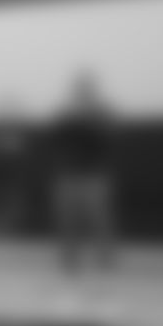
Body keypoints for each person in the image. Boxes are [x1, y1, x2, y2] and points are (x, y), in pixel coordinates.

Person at [51, 72, 118, 275]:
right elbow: (57, 139)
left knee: (99, 220)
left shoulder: (102, 113)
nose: (82, 92)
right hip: (68, 174)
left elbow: (107, 140)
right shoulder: (66, 113)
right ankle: (69, 261)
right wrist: (73, 118)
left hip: (94, 175)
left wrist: (88, 120)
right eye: (79, 89)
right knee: (67, 220)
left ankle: (105, 261)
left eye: (85, 88)